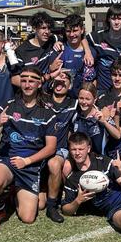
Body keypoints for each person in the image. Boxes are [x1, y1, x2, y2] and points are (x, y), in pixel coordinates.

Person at [0, 66, 57, 225]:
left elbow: (51, 147)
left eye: (32, 81)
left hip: (29, 165)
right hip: (7, 159)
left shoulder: (48, 111)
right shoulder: (8, 105)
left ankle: (13, 191)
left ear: (39, 84)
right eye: (24, 80)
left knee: (28, 218)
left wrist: (27, 161)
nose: (27, 84)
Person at [41, 71, 78, 223]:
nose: (60, 83)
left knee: (54, 163)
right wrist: (52, 76)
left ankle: (52, 206)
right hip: (39, 147)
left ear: (70, 86)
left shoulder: (73, 103)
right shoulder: (42, 99)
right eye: (58, 81)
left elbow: (85, 95)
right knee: (38, 204)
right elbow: (32, 86)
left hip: (60, 149)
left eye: (65, 82)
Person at [86, 4, 121, 92]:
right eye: (113, 18)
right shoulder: (97, 36)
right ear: (109, 19)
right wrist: (87, 52)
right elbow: (81, 39)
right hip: (100, 90)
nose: (116, 22)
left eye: (120, 19)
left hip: (119, 92)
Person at [46, 14, 95, 98]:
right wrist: (51, 69)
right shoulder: (59, 50)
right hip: (63, 99)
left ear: (82, 30)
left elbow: (93, 79)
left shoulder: (91, 52)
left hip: (83, 100)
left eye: (75, 30)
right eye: (68, 31)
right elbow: (50, 75)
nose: (72, 34)